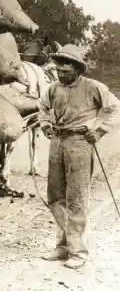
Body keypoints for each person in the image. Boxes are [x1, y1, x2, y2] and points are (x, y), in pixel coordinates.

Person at [38, 43, 120, 269]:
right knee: (55, 195)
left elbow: (116, 109)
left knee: (76, 197)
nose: (60, 74)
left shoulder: (94, 87)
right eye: (58, 70)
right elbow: (42, 108)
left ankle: (79, 252)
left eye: (65, 70)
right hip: (57, 141)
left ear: (77, 69)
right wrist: (45, 125)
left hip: (80, 144)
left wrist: (100, 130)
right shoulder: (53, 88)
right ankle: (63, 245)